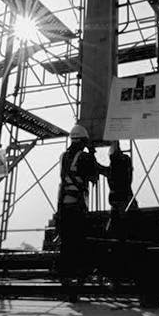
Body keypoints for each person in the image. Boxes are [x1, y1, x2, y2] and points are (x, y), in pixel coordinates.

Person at [55, 124, 107, 301]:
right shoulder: (84, 157)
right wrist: (93, 153)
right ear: (83, 141)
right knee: (79, 243)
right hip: (76, 207)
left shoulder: (64, 157)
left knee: (67, 244)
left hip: (63, 206)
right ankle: (76, 282)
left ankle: (66, 281)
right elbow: (94, 176)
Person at [107, 141, 134, 223]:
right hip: (123, 193)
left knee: (120, 215)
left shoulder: (116, 162)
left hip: (119, 194)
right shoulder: (125, 159)